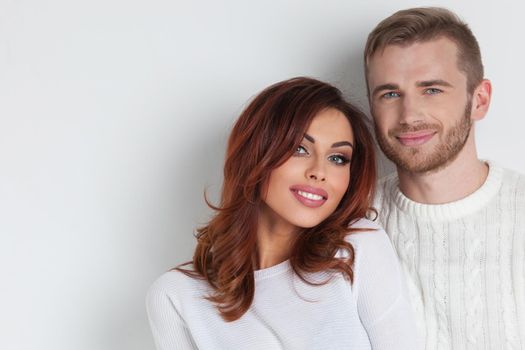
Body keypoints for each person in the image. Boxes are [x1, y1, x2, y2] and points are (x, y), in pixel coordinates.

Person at [146, 77, 419, 349]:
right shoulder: (176, 295)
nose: (319, 172)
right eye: (300, 149)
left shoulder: (356, 249)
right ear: (256, 154)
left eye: (337, 158)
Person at [364, 7, 525, 349]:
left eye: (432, 90)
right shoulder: (348, 222)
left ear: (479, 100)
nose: (409, 116)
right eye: (390, 94)